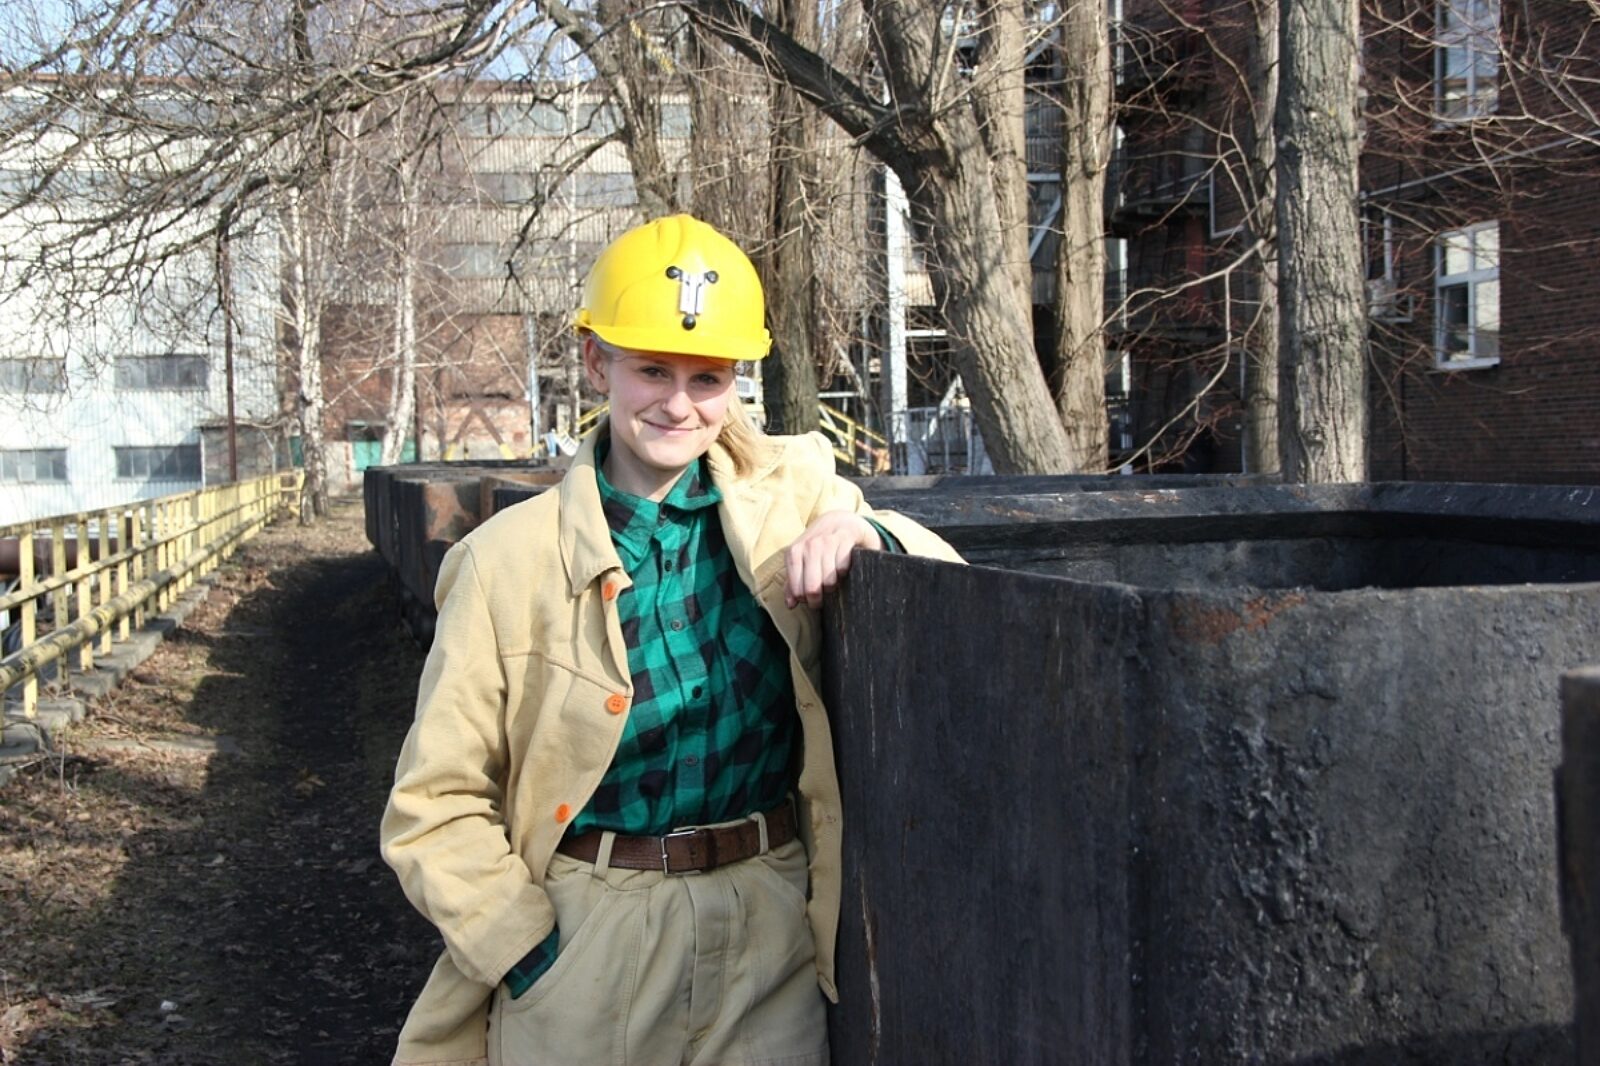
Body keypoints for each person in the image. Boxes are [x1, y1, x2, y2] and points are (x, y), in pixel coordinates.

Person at [381, 214, 963, 1066]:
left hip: (768, 929)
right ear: (597, 363)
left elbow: (947, 573)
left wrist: (867, 534)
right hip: (588, 940)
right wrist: (526, 951)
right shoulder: (503, 563)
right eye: (652, 369)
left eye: (708, 377)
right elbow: (434, 801)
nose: (680, 403)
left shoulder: (790, 496)